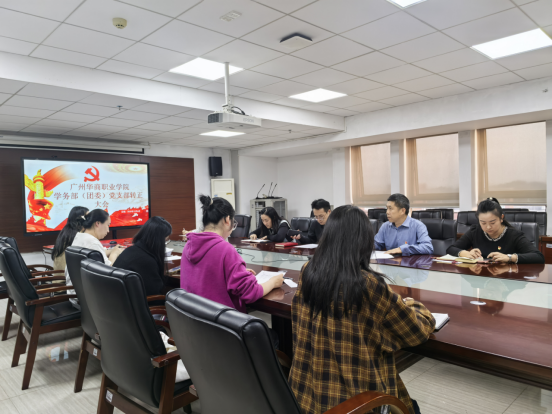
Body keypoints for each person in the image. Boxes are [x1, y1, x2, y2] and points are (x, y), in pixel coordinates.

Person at [289, 205, 435, 414]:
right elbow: (415, 332)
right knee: (412, 408)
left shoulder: (308, 271)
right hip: (355, 402)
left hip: (305, 396)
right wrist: (413, 304)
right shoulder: (367, 284)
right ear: (364, 241)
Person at [181, 195, 284, 313]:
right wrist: (273, 282)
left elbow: (206, 275)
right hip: (221, 320)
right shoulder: (225, 249)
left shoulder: (188, 245)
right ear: (227, 220)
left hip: (194, 317)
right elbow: (250, 292)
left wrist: (234, 272)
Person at [447, 198, 545, 264]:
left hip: (507, 280)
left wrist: (510, 258)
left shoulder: (514, 235)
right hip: (481, 279)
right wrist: (467, 254)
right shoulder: (475, 231)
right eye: (483, 223)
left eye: (492, 222)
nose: (488, 227)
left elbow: (538, 257)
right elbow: (451, 248)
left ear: (501, 218)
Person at [65, 209, 124, 307]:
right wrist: (114, 253)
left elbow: (98, 254)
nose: (108, 230)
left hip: (75, 296)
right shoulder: (93, 243)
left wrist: (112, 251)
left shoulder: (80, 236)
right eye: (108, 225)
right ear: (98, 223)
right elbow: (109, 270)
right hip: (88, 301)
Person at [114, 216, 172, 297]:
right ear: (158, 241)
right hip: (140, 304)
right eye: (165, 240)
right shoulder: (146, 261)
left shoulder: (130, 250)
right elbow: (154, 293)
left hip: (120, 301)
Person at [51, 206, 89, 270]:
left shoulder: (66, 231)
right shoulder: (79, 235)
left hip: (58, 274)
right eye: (88, 217)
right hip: (67, 275)